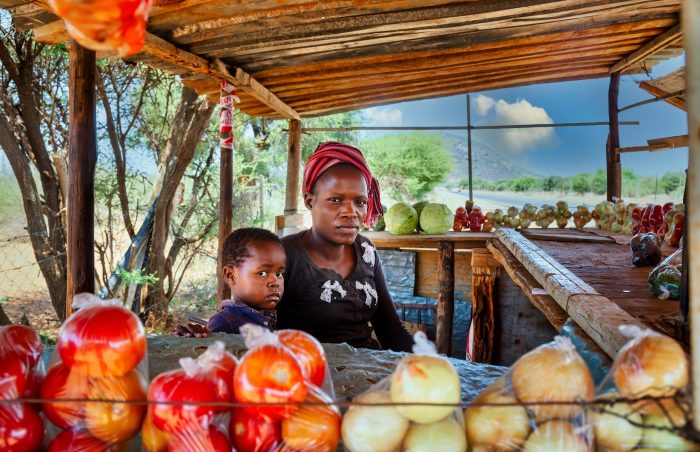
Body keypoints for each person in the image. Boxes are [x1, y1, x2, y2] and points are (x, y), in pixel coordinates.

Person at [277, 142, 413, 352]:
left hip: (365, 371)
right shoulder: (284, 255)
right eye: (335, 200)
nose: (351, 212)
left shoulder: (367, 251)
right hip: (308, 374)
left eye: (360, 202)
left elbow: (390, 330)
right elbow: (251, 325)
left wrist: (428, 363)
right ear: (309, 201)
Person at [172, 228, 285, 337]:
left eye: (279, 274)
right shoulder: (224, 323)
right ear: (231, 275)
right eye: (263, 273)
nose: (275, 282)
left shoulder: (269, 317)